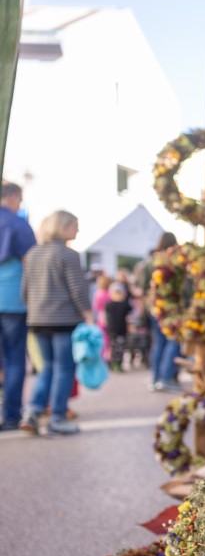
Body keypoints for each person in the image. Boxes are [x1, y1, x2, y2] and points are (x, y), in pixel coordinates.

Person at [21, 210, 92, 434]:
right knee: (64, 369)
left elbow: (24, 291)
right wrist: (88, 315)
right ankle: (57, 418)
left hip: (37, 320)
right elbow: (77, 289)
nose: (77, 230)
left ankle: (32, 413)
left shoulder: (32, 254)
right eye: (74, 226)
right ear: (63, 227)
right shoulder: (68, 255)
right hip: (63, 320)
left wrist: (35, 310)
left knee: (46, 368)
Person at [0, 182, 37, 431]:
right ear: (12, 197)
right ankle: (11, 415)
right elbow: (30, 263)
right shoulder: (18, 224)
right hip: (12, 300)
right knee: (14, 360)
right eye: (19, 200)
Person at [143, 232, 183, 392]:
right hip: (169, 307)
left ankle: (155, 378)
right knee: (173, 341)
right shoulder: (174, 261)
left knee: (159, 343)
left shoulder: (149, 262)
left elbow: (143, 286)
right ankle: (166, 377)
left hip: (153, 306)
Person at [104, 281, 132, 371]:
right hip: (115, 330)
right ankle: (115, 364)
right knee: (116, 348)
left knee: (119, 348)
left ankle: (116, 363)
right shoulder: (114, 305)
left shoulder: (110, 305)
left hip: (118, 329)